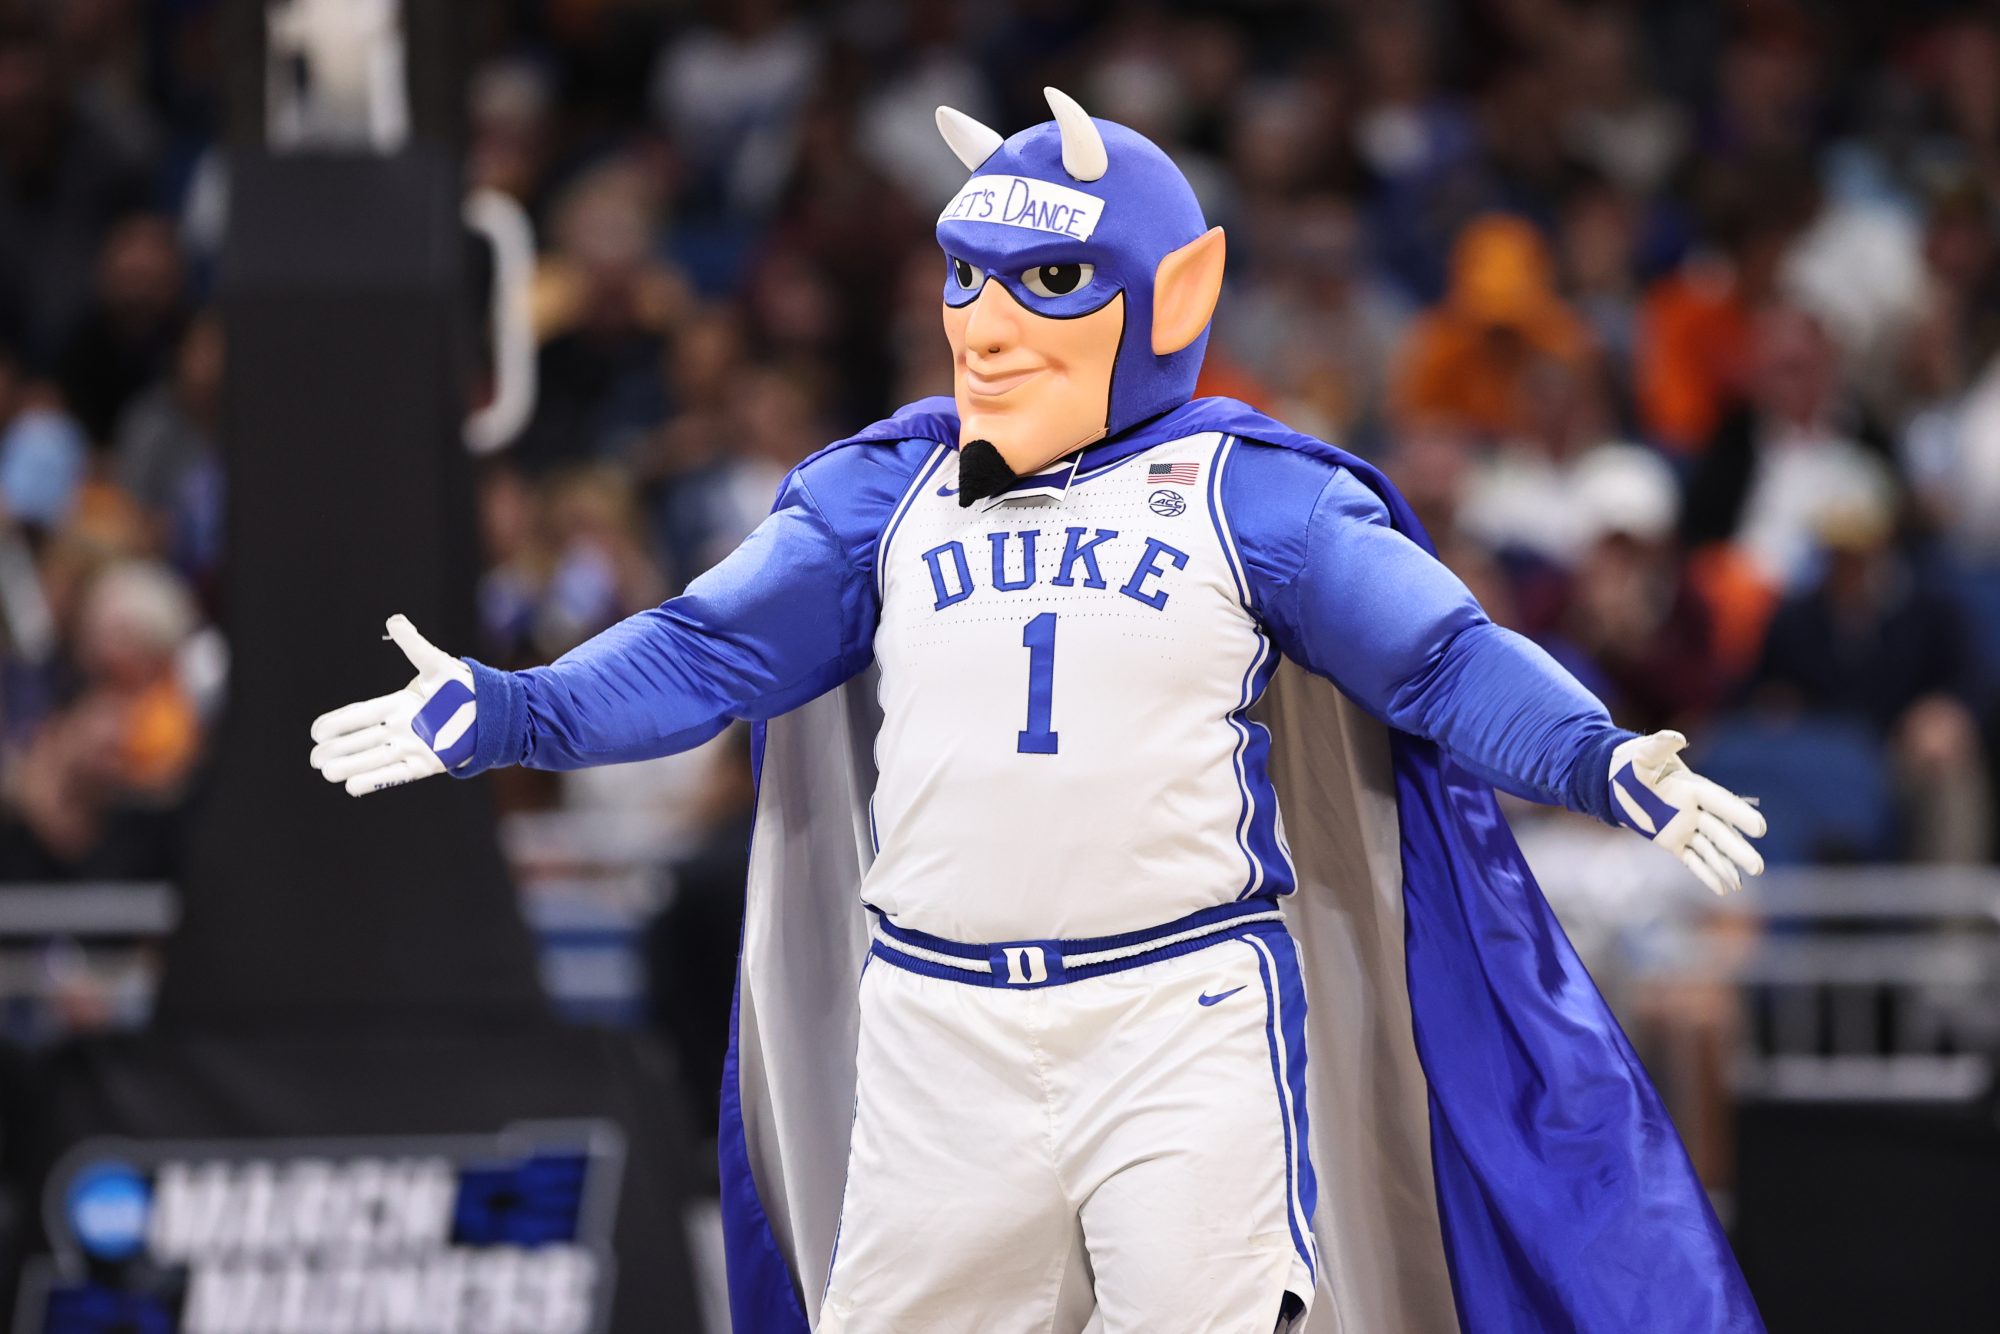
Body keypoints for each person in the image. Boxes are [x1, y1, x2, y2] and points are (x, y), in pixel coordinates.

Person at [309, 92, 1766, 1333]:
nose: (986, 326)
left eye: (1046, 283)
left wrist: (1602, 753)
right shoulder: (879, 489)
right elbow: (704, 651)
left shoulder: (1251, 490)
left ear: (1174, 295)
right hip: (939, 1022)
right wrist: (514, 709)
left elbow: (1441, 658)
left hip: (1180, 1007)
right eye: (962, 278)